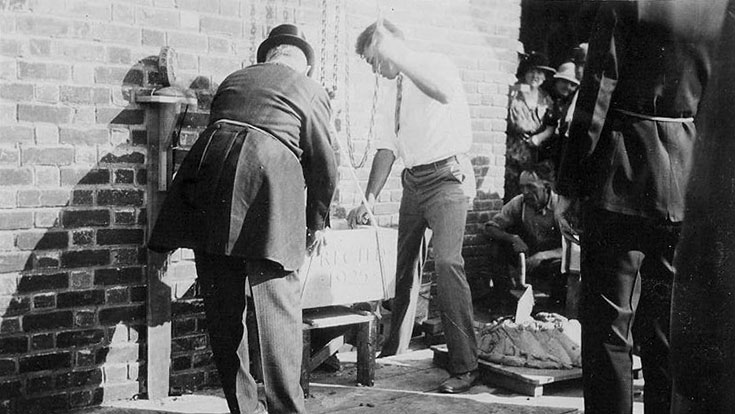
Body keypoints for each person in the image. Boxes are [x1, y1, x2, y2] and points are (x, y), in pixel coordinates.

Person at [148, 24, 337, 414]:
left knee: (223, 310)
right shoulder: (308, 88)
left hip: (208, 188)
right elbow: (323, 162)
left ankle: (243, 409)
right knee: (278, 311)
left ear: (268, 57)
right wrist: (316, 221)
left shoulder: (234, 80)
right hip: (267, 188)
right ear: (305, 65)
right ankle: (287, 410)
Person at [553, 2, 720, 413]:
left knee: (609, 328)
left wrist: (569, 182)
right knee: (666, 329)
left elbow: (597, 90)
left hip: (620, 178)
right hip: (686, 180)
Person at [346, 19, 479, 394]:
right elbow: (387, 148)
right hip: (414, 182)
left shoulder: (435, 64)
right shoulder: (394, 91)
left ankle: (466, 366)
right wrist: (369, 197)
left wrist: (397, 57)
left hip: (448, 178)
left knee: (448, 263)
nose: (375, 69)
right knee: (405, 266)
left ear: (391, 47)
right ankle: (396, 350)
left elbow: (441, 92)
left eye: (375, 59)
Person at [481, 168, 563, 307]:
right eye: (522, 187)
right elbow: (489, 227)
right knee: (497, 247)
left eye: (531, 187)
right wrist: (513, 238)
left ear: (546, 187)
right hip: (528, 257)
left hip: (551, 260)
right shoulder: (519, 203)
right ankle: (503, 300)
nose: (525, 192)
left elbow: (574, 247)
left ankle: (553, 310)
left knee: (560, 268)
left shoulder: (560, 206)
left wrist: (542, 256)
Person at [504, 51, 555, 203]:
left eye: (540, 73)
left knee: (529, 191)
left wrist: (539, 138)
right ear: (526, 72)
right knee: (510, 190)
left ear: (544, 77)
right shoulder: (513, 91)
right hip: (512, 149)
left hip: (533, 152)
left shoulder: (546, 99)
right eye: (532, 71)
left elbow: (551, 126)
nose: (535, 76)